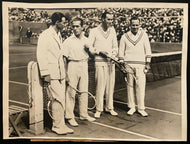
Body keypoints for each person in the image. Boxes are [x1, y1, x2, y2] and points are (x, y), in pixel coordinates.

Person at [37, 12, 73, 134]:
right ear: (57, 22)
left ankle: (60, 124)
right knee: (57, 100)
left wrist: (65, 73)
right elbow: (41, 55)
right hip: (51, 74)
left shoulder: (58, 34)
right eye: (63, 22)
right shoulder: (45, 35)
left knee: (61, 99)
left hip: (60, 73)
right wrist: (45, 73)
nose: (65, 24)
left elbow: (60, 57)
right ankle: (57, 126)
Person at [62, 17, 96, 127]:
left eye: (77, 26)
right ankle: (69, 116)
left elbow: (92, 56)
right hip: (72, 65)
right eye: (74, 26)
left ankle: (83, 114)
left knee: (84, 91)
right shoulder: (68, 41)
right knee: (71, 92)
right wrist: (65, 73)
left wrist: (88, 50)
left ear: (82, 27)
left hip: (84, 65)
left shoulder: (87, 40)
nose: (75, 28)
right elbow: (64, 58)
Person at [118, 16, 152, 117]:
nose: (135, 27)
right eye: (133, 25)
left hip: (140, 65)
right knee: (130, 86)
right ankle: (131, 107)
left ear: (139, 25)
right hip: (128, 65)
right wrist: (122, 63)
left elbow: (148, 50)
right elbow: (121, 52)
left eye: (137, 25)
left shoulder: (144, 35)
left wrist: (148, 63)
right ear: (130, 25)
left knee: (141, 86)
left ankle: (141, 108)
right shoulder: (124, 36)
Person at [88, 11, 118, 118]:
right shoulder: (94, 31)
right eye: (108, 19)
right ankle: (99, 109)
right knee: (100, 86)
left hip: (110, 62)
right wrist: (99, 52)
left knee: (110, 86)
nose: (110, 21)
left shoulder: (113, 31)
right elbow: (89, 47)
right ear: (103, 19)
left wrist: (113, 55)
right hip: (99, 62)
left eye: (111, 19)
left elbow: (115, 46)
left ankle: (109, 107)